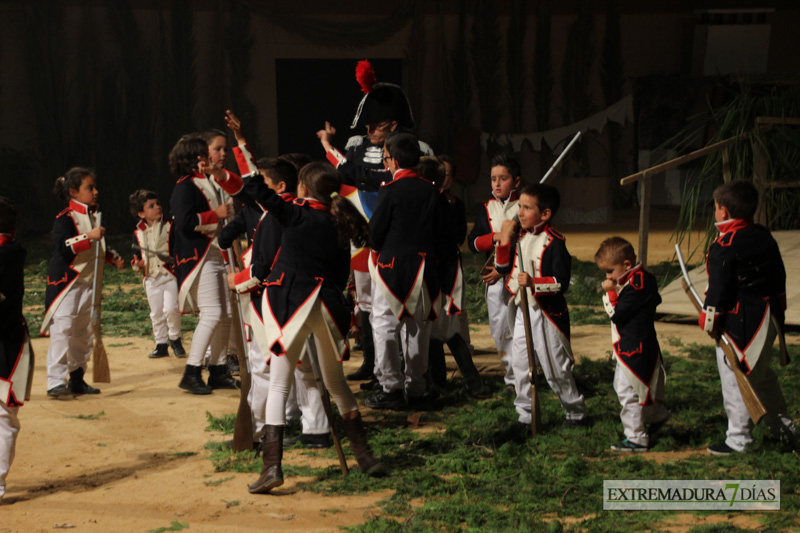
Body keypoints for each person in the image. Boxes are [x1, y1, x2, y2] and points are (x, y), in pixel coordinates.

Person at [213, 161, 383, 493]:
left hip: (292, 303)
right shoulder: (339, 220)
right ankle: (365, 456)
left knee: (279, 385)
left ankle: (272, 468)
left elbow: (257, 190)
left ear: (303, 188)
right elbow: (339, 274)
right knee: (336, 384)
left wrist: (242, 144)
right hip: (328, 304)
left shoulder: (296, 212)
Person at [316, 60, 434, 387]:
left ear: (393, 125)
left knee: (410, 309)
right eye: (367, 126)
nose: (368, 131)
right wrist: (328, 147)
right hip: (362, 238)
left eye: (375, 125)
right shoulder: (356, 149)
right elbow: (344, 174)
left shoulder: (416, 151)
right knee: (367, 302)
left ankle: (411, 374)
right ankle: (373, 363)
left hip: (399, 242)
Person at [224, 110, 331, 449]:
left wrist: (236, 281)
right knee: (309, 370)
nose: (257, 193)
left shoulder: (278, 219)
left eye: (266, 187)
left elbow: (261, 270)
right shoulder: (315, 216)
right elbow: (248, 184)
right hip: (312, 300)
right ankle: (315, 429)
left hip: (278, 304)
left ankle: (260, 436)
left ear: (282, 187)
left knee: (270, 371)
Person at [700, 180, 796, 455]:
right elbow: (779, 277)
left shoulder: (725, 244)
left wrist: (710, 321)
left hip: (741, 325)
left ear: (724, 211)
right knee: (763, 377)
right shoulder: (764, 235)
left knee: (735, 379)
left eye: (716, 207)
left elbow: (718, 291)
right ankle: (784, 430)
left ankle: (739, 439)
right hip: (770, 318)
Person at [496, 183, 587, 435]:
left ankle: (575, 411)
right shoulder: (521, 237)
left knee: (554, 365)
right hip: (522, 309)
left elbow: (561, 282)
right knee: (520, 362)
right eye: (520, 207)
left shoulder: (555, 242)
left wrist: (535, 283)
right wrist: (505, 239)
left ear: (545, 214)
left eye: (527, 208)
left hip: (546, 313)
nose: (521, 213)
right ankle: (525, 415)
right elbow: (504, 267)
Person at [366, 133, 443, 409]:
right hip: (424, 266)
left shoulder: (390, 189)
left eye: (385, 158)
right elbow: (439, 232)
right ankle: (418, 387)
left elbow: (376, 232)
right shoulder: (430, 189)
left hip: (392, 268)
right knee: (419, 327)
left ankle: (392, 388)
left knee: (385, 326)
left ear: (393, 161)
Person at [41, 168, 125, 398]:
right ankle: (55, 382)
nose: (95, 191)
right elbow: (62, 248)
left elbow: (96, 248)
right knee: (64, 330)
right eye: (90, 188)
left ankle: (77, 377)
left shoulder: (93, 216)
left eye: (95, 187)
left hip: (90, 284)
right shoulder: (65, 218)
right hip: (68, 285)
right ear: (74, 192)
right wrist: (88, 237)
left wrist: (110, 257)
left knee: (84, 333)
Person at [168, 135, 238, 394]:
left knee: (225, 315)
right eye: (207, 152)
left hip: (216, 253)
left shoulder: (208, 181)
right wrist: (215, 215)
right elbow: (184, 222)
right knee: (211, 313)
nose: (212, 156)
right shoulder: (185, 185)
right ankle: (192, 371)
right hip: (198, 256)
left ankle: (218, 370)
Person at [417, 156, 484, 397]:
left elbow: (452, 237)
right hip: (433, 270)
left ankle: (472, 383)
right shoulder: (431, 201)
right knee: (435, 326)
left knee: (445, 325)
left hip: (442, 271)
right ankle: (440, 380)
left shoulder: (443, 203)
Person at [595, 237, 669, 452]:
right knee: (633, 388)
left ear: (626, 265)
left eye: (610, 271)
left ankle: (637, 438)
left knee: (628, 392)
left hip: (635, 348)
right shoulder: (637, 280)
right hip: (629, 345)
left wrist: (610, 292)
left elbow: (618, 315)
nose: (608, 277)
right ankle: (657, 417)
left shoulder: (638, 284)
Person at [467, 155, 522, 391]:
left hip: (519, 278)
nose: (497, 184)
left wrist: (505, 269)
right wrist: (495, 237)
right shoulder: (485, 208)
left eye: (503, 178)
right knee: (500, 327)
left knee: (521, 327)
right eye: (493, 179)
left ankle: (526, 375)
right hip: (494, 281)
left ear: (516, 181)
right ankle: (512, 376)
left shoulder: (525, 206)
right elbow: (473, 242)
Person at [0, 197, 33, 501]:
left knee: (3, 416)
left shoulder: (8, 253)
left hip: (6, 349)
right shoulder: (10, 249)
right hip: (7, 343)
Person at [129, 190, 185, 358]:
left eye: (157, 204)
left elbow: (178, 249)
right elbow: (136, 258)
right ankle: (161, 343)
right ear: (141, 213)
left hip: (169, 275)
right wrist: (137, 265)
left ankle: (175, 339)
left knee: (171, 308)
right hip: (150, 277)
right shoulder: (137, 232)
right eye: (151, 206)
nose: (157, 208)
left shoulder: (170, 226)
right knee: (156, 313)